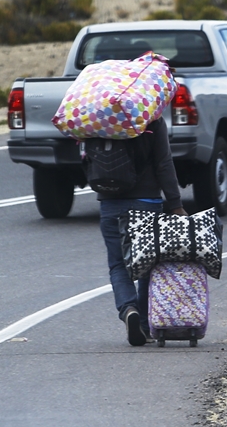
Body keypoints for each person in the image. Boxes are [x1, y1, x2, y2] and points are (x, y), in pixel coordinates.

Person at [94, 118, 186, 346]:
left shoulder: (96, 117)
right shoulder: (151, 118)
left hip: (110, 201)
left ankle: (128, 309)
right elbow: (164, 163)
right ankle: (144, 325)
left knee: (118, 264)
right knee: (148, 264)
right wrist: (175, 204)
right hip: (147, 201)